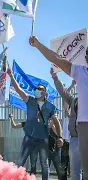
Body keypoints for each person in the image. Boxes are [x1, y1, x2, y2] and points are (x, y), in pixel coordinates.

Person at [29, 36, 88, 179]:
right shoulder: (81, 72)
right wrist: (38, 44)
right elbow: (56, 59)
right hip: (82, 128)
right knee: (82, 172)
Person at [7, 67, 63, 180]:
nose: (37, 90)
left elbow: (56, 122)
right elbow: (18, 90)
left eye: (40, 89)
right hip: (28, 138)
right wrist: (11, 76)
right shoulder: (30, 100)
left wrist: (60, 137)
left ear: (44, 92)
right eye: (37, 88)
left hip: (43, 139)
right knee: (20, 162)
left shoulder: (50, 107)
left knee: (44, 164)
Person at [51, 68, 82, 180]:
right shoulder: (74, 101)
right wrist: (55, 77)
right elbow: (63, 92)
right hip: (74, 139)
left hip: (85, 138)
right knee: (74, 170)